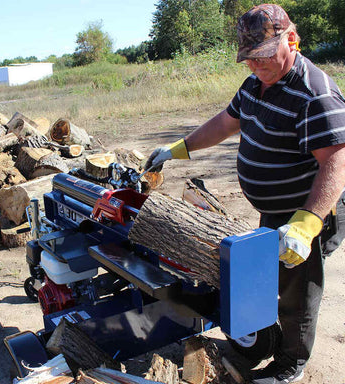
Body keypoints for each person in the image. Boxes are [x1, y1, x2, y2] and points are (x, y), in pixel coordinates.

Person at [145, 4, 345, 384]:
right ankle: (264, 340)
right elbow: (226, 121)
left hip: (308, 211)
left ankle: (291, 367)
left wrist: (305, 225)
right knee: (269, 280)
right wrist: (179, 148)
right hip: (276, 211)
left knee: (297, 293)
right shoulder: (257, 83)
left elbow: (337, 164)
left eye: (263, 56)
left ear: (291, 40)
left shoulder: (314, 94)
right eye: (249, 59)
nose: (255, 66)